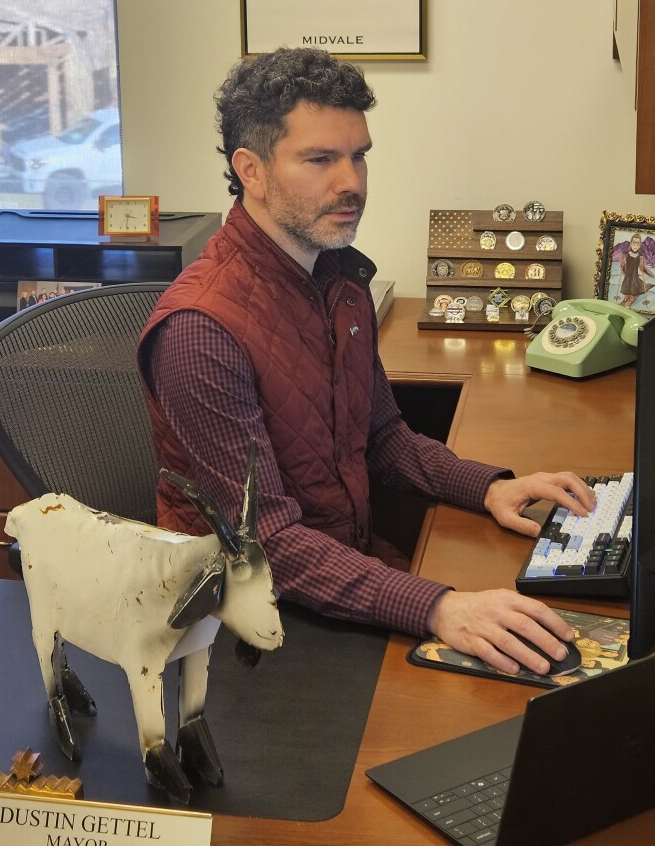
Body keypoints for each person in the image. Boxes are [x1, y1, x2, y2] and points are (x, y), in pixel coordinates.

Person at [138, 47, 596, 677]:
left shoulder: (333, 277)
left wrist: (489, 486)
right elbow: (266, 545)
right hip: (239, 629)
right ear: (252, 170)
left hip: (338, 576)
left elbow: (381, 436)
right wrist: (438, 607)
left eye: (359, 155)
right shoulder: (201, 331)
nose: (351, 181)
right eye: (321, 159)